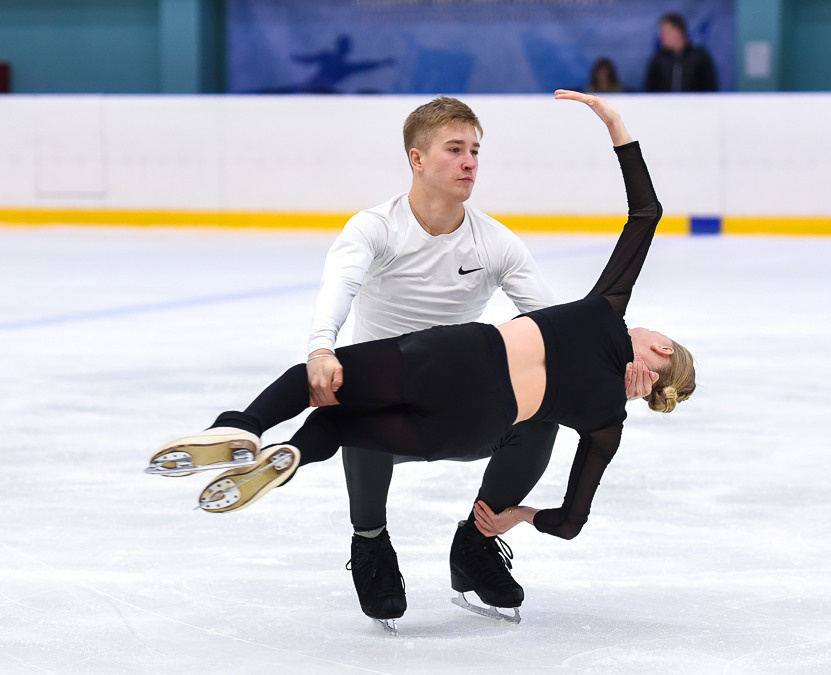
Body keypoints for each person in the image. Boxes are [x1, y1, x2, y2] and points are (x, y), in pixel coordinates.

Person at [147, 90, 695, 620]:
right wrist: (323, 345)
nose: (469, 162)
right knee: (346, 402)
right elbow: (342, 281)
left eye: (475, 150)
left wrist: (603, 365)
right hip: (429, 413)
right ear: (417, 158)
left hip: (440, 377)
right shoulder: (376, 227)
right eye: (455, 149)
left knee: (348, 408)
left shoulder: (496, 243)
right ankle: (373, 542)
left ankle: (465, 543)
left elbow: (551, 324)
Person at [644, 12, 717, 92]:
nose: (662, 36)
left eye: (666, 31)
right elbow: (650, 90)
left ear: (678, 31)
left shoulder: (699, 57)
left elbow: (710, 88)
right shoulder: (658, 59)